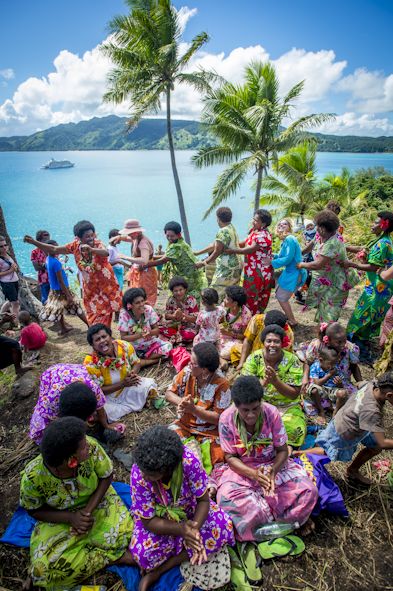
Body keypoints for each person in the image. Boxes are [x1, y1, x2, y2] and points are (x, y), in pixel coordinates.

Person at [20, 417, 135, 590]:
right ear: (70, 460)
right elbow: (33, 510)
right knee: (44, 572)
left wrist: (86, 512)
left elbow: (106, 476)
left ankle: (112, 555)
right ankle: (113, 557)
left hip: (98, 502)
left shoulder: (92, 448)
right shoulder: (33, 477)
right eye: (83, 447)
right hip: (59, 517)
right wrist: (71, 518)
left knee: (124, 536)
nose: (88, 445)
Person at [129, 426, 235, 591]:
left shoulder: (188, 462)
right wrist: (182, 530)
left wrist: (193, 529)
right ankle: (178, 556)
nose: (144, 476)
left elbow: (203, 501)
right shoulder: (139, 472)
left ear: (166, 470)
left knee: (223, 528)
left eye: (150, 474)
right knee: (143, 554)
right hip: (161, 521)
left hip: (190, 511)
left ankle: (160, 570)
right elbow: (148, 521)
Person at [215, 376, 318, 541]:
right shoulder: (226, 419)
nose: (250, 415)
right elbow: (230, 457)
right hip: (244, 471)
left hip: (273, 465)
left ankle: (270, 525)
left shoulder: (272, 413)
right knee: (226, 499)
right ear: (236, 406)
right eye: (245, 410)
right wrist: (254, 474)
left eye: (255, 409)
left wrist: (272, 471)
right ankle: (289, 521)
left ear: (261, 402)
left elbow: (282, 451)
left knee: (308, 490)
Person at [298, 372, 393, 485]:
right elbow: (382, 442)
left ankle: (352, 471)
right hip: (344, 430)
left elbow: (357, 385)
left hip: (353, 422)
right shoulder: (372, 411)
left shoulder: (371, 384)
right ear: (389, 396)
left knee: (375, 446)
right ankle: (297, 454)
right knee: (326, 451)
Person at [24, 220, 122, 327]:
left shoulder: (97, 243)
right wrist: (34, 242)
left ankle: (107, 334)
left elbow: (105, 253)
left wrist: (92, 250)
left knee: (108, 313)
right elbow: (54, 249)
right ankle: (101, 335)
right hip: (91, 289)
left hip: (107, 286)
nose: (90, 238)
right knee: (94, 317)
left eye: (92, 235)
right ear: (78, 238)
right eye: (87, 236)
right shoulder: (75, 246)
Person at [165, 342, 232, 469]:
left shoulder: (222, 385)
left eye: (193, 363)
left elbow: (219, 418)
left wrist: (194, 409)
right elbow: (169, 393)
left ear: (204, 370)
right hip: (184, 425)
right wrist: (182, 402)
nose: (189, 364)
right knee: (167, 444)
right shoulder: (187, 372)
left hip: (209, 431)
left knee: (216, 458)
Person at [242, 324, 305, 448]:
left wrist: (276, 381)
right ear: (263, 342)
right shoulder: (254, 358)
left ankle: (285, 449)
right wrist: (264, 382)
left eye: (276, 341)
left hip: (286, 407)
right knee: (246, 424)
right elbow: (246, 391)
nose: (272, 345)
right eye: (269, 341)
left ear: (282, 343)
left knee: (293, 429)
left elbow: (294, 394)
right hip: (260, 404)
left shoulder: (292, 360)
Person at [29, 363, 120, 444]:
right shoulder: (51, 402)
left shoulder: (93, 388)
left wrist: (106, 425)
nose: (91, 418)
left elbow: (100, 408)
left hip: (72, 371)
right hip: (51, 374)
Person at [84, 323, 159, 422]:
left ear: (110, 336)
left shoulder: (123, 345)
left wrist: (132, 374)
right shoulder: (90, 363)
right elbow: (97, 391)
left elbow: (137, 363)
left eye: (104, 336)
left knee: (148, 385)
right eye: (97, 340)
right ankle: (137, 402)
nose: (102, 341)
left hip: (128, 386)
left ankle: (133, 402)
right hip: (107, 397)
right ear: (93, 345)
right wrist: (122, 384)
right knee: (98, 413)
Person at [346, 212, 393, 359]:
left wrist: (352, 264)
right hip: (374, 284)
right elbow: (363, 248)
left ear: (384, 225)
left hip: (379, 287)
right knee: (364, 312)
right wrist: (344, 247)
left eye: (375, 222)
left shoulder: (383, 243)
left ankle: (360, 346)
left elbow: (373, 267)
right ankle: (358, 342)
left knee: (366, 314)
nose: (372, 224)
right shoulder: (378, 240)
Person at [298, 210, 354, 323]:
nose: (316, 228)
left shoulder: (333, 243)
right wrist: (298, 254)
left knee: (329, 315)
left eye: (318, 226)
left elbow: (318, 264)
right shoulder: (321, 234)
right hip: (326, 280)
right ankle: (323, 335)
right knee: (322, 310)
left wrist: (300, 264)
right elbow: (311, 245)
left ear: (323, 228)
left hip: (336, 283)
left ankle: (328, 337)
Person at [299, 321, 362, 402]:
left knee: (356, 399)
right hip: (319, 382)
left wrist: (361, 383)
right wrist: (305, 378)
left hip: (341, 384)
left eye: (344, 340)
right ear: (327, 340)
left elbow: (354, 367)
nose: (343, 345)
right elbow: (308, 362)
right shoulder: (317, 346)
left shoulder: (350, 348)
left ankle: (333, 406)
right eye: (338, 342)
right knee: (311, 393)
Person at [225, 209, 274, 314]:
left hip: (259, 272)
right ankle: (251, 317)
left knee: (253, 295)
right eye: (253, 219)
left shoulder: (263, 235)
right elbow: (246, 243)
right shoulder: (255, 230)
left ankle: (252, 318)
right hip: (252, 270)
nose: (253, 221)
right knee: (251, 295)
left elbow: (250, 249)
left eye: (256, 220)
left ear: (264, 223)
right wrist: (233, 244)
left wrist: (233, 251)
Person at [144, 221, 207, 301]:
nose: (170, 238)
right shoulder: (181, 242)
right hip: (191, 275)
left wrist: (145, 264)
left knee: (182, 300)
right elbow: (166, 256)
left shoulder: (176, 247)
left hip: (187, 278)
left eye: (172, 236)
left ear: (178, 234)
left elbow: (162, 260)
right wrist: (148, 257)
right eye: (167, 236)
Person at [40, 240, 88, 335]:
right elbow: (60, 281)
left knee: (59, 308)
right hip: (62, 290)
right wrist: (68, 295)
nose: (57, 249)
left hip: (54, 290)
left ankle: (63, 328)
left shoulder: (48, 259)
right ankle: (89, 325)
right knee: (76, 307)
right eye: (55, 248)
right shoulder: (56, 262)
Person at [195, 207, 242, 300]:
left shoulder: (222, 231)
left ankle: (216, 313)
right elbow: (215, 245)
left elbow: (217, 250)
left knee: (215, 293)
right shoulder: (231, 228)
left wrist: (204, 263)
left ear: (218, 218)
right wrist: (197, 253)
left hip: (227, 267)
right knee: (231, 293)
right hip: (237, 265)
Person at [118, 287, 172, 364]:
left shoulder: (148, 309)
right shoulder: (124, 314)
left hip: (150, 344)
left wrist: (149, 332)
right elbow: (123, 338)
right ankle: (153, 360)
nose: (142, 304)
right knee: (122, 355)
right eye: (137, 303)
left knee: (169, 346)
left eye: (142, 301)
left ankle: (142, 358)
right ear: (130, 305)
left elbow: (157, 330)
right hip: (133, 347)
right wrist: (140, 335)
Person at [114, 219, 158, 306]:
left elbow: (144, 260)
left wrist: (125, 257)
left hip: (145, 273)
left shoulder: (143, 243)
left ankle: (146, 314)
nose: (128, 235)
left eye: (130, 233)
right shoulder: (136, 238)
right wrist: (118, 237)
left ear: (136, 232)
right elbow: (127, 238)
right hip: (140, 272)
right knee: (137, 293)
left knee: (144, 294)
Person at [271, 219, 306, 328]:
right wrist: (274, 256)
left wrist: (271, 262)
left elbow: (288, 258)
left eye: (285, 224)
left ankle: (292, 320)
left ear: (289, 227)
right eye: (280, 224)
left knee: (281, 297)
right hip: (290, 272)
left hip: (294, 273)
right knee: (280, 295)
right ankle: (290, 317)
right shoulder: (286, 240)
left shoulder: (290, 239)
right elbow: (283, 255)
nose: (281, 225)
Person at [305, 346, 349, 424]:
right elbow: (317, 383)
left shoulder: (335, 368)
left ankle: (335, 412)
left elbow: (341, 387)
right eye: (330, 364)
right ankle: (321, 411)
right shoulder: (315, 367)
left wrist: (339, 384)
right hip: (321, 389)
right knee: (314, 390)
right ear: (321, 360)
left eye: (334, 363)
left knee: (343, 393)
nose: (332, 366)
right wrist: (329, 375)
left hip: (332, 390)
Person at [219, 285, 252, 366]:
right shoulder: (224, 307)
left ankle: (220, 358)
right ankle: (221, 359)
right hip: (221, 335)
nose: (224, 300)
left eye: (227, 299)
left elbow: (244, 336)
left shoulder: (245, 314)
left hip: (234, 339)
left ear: (235, 303)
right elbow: (220, 322)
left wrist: (229, 334)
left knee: (227, 352)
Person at [161, 276, 199, 344]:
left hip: (188, 325)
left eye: (180, 290)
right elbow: (166, 316)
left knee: (188, 335)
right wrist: (174, 316)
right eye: (175, 291)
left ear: (185, 289)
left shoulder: (191, 300)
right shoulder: (170, 300)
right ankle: (176, 337)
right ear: (172, 291)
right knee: (160, 328)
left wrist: (183, 316)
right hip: (174, 325)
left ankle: (175, 338)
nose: (178, 293)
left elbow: (195, 319)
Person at [295, 220, 316, 305]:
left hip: (313, 259)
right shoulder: (305, 234)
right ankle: (300, 296)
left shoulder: (317, 233)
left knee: (309, 279)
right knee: (307, 279)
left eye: (311, 225)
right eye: (308, 226)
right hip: (308, 259)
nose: (310, 227)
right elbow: (308, 246)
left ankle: (301, 295)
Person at [0, 235, 20, 322]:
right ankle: (16, 322)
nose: (4, 247)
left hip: (14, 281)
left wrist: (15, 268)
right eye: (1, 246)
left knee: (11, 301)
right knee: (15, 303)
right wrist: (11, 270)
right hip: (7, 283)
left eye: (5, 245)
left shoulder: (7, 254)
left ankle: (1, 315)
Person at [30, 230, 51, 304]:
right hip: (43, 280)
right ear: (38, 241)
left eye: (48, 239)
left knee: (56, 299)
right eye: (45, 240)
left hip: (54, 279)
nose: (47, 242)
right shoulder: (34, 252)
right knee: (45, 300)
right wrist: (48, 265)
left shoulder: (51, 249)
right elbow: (36, 268)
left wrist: (43, 265)